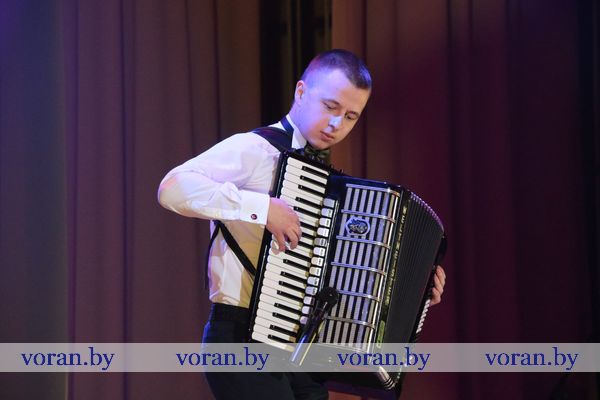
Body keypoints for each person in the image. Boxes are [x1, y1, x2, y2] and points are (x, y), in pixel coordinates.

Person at [158, 49, 447, 400]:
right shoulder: (256, 149)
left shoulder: (325, 180)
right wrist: (262, 207)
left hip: (299, 350)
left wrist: (413, 292)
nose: (337, 124)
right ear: (300, 92)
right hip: (240, 339)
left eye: (351, 116)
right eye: (330, 106)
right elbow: (173, 188)